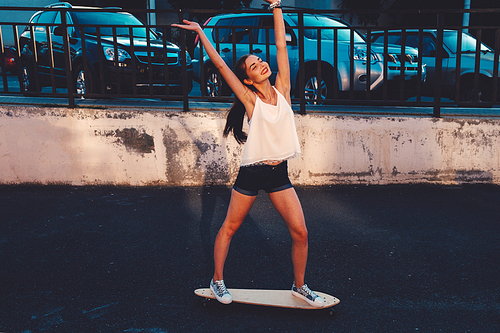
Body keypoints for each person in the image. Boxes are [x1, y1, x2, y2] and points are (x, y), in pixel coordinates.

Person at [172, 0, 324, 307]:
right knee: (229, 227)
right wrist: (202, 33)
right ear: (247, 79)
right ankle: (217, 281)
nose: (262, 65)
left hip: (278, 172)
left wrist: (277, 6)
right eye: (253, 66)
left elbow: (281, 46)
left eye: (260, 61)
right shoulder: (250, 99)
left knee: (301, 232)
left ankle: (299, 286)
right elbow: (220, 66)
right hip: (253, 172)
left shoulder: (282, 89)